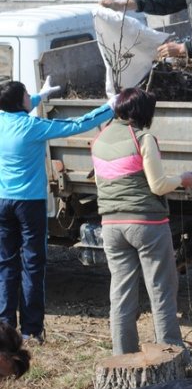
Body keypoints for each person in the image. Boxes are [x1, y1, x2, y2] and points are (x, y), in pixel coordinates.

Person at [0, 78, 115, 344]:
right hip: (29, 204)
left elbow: (16, 109)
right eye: (27, 95)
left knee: (6, 265)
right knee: (32, 265)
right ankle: (31, 331)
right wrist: (109, 107)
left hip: (2, 202)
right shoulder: (32, 127)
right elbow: (75, 125)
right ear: (20, 103)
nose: (30, 97)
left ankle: (5, 329)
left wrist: (39, 97)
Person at [91, 88, 192, 355]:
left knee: (121, 291)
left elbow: (99, 182)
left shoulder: (100, 139)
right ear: (142, 113)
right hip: (146, 224)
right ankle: (169, 349)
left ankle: (122, 354)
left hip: (111, 225)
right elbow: (159, 185)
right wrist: (184, 179)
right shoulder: (143, 138)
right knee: (161, 286)